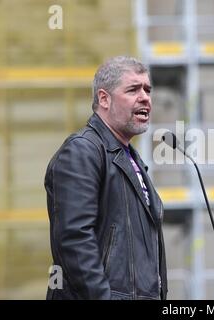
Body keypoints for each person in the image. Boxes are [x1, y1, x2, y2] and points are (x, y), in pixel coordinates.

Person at [44, 56, 167, 300]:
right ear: (104, 99)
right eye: (133, 89)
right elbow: (75, 240)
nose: (145, 97)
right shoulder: (82, 151)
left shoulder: (131, 158)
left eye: (147, 89)